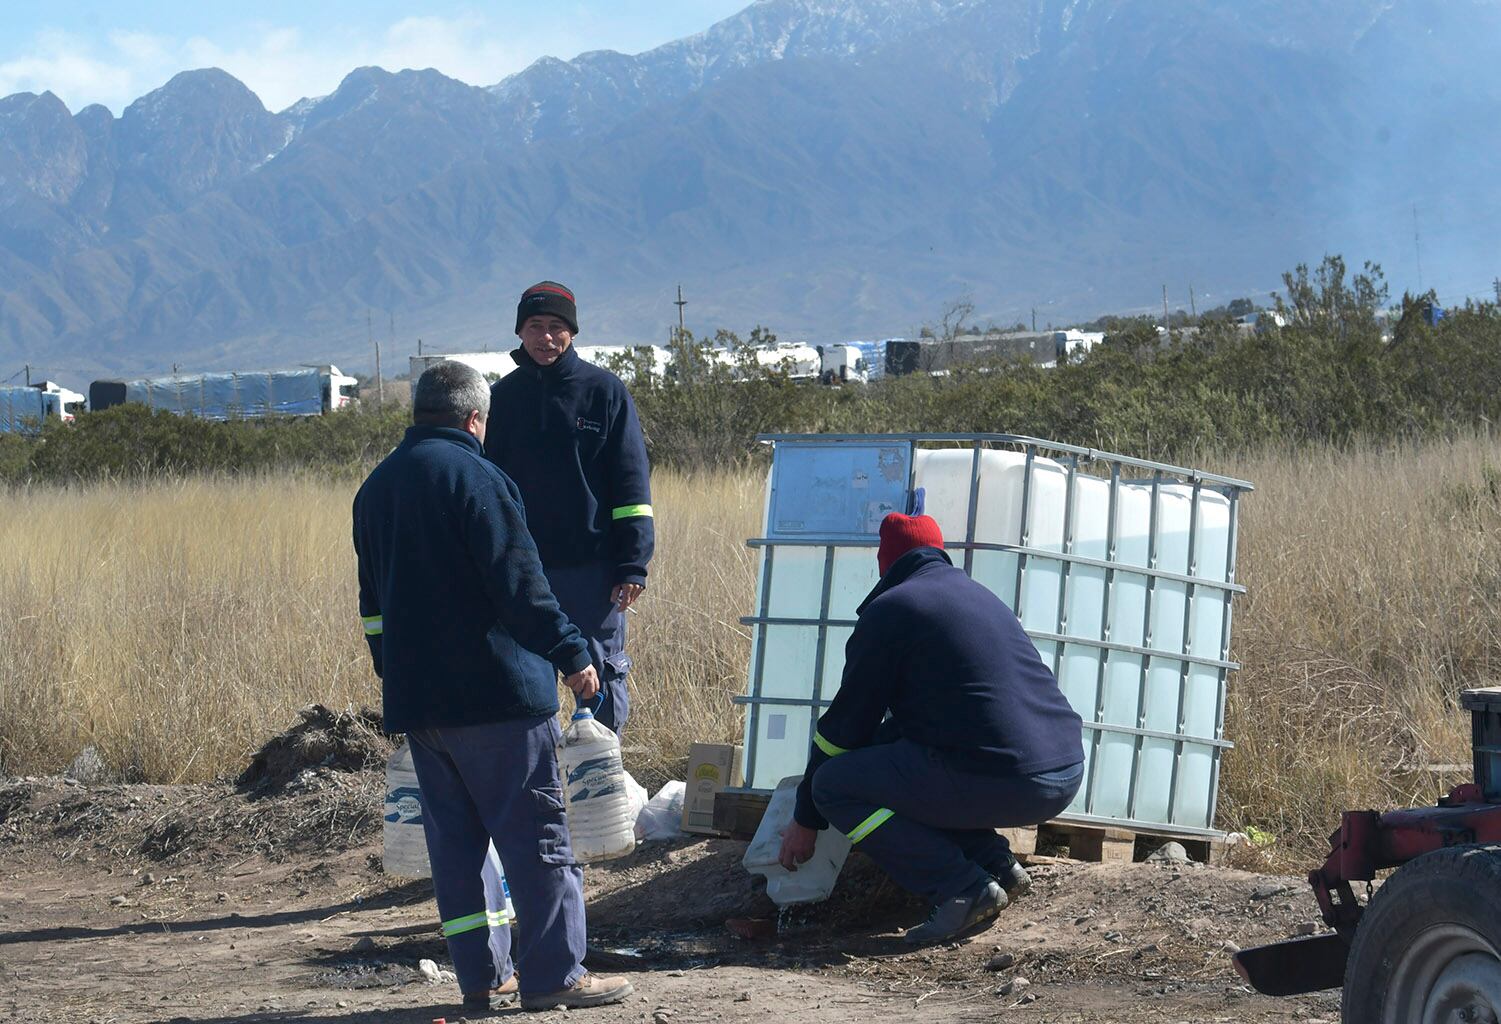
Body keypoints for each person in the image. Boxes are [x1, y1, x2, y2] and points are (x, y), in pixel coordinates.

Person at [353, 360, 632, 1012]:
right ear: (476, 419)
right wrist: (571, 652)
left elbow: (373, 606)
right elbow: (522, 590)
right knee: (536, 838)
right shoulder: (479, 479)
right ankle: (555, 975)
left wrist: (392, 669)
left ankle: (482, 979)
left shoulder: (376, 488)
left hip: (420, 704)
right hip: (498, 699)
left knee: (456, 851)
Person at [778, 512, 1086, 944]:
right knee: (904, 755)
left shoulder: (892, 610)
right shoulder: (977, 595)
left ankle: (963, 889)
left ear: (885, 563)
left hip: (1008, 777)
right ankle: (997, 866)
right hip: (1065, 769)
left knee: (834, 785)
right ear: (939, 553)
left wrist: (805, 815)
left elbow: (844, 730)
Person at [483, 281, 654, 736]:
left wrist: (632, 563)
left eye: (556, 326)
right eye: (535, 326)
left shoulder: (604, 391)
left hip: (591, 569)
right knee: (523, 678)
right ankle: (543, 785)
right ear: (520, 332)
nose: (545, 337)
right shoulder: (502, 398)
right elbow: (488, 485)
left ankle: (599, 777)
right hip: (521, 569)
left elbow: (631, 483)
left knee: (598, 673)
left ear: (572, 332)